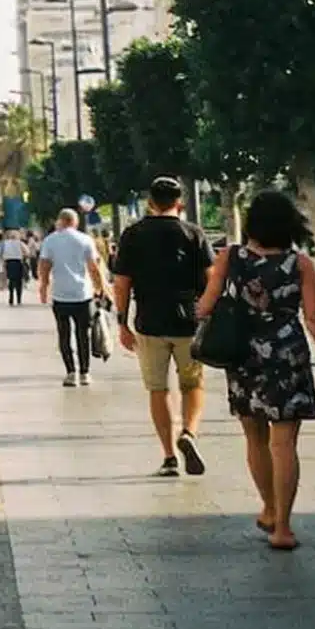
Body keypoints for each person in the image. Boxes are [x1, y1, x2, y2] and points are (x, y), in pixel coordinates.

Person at [196, 190, 315, 552]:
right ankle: (283, 528)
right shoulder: (299, 263)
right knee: (284, 442)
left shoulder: (230, 258)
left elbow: (206, 305)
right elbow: (314, 315)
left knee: (254, 437)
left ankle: (270, 508)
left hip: (243, 353)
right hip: (287, 354)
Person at [111, 178, 214, 476]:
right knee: (193, 384)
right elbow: (212, 278)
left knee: (158, 389)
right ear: (179, 203)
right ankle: (189, 433)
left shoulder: (133, 234)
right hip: (188, 322)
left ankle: (169, 457)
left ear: (150, 203)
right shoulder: (193, 233)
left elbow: (121, 283)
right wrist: (208, 314)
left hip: (149, 322)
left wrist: (122, 322)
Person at [36, 210, 109, 386]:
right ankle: (85, 372)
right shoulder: (85, 239)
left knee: (64, 334)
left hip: (60, 295)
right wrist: (100, 288)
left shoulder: (50, 240)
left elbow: (44, 266)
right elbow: (93, 267)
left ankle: (70, 372)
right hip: (83, 294)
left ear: (60, 221)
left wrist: (43, 288)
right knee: (83, 334)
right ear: (75, 222)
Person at [0, 230, 29, 304]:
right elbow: (27, 252)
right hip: (18, 263)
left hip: (8, 263)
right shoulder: (20, 243)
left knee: (11, 280)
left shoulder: (4, 243)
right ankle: (19, 299)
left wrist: (2, 261)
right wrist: (23, 256)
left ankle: (11, 297)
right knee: (19, 281)